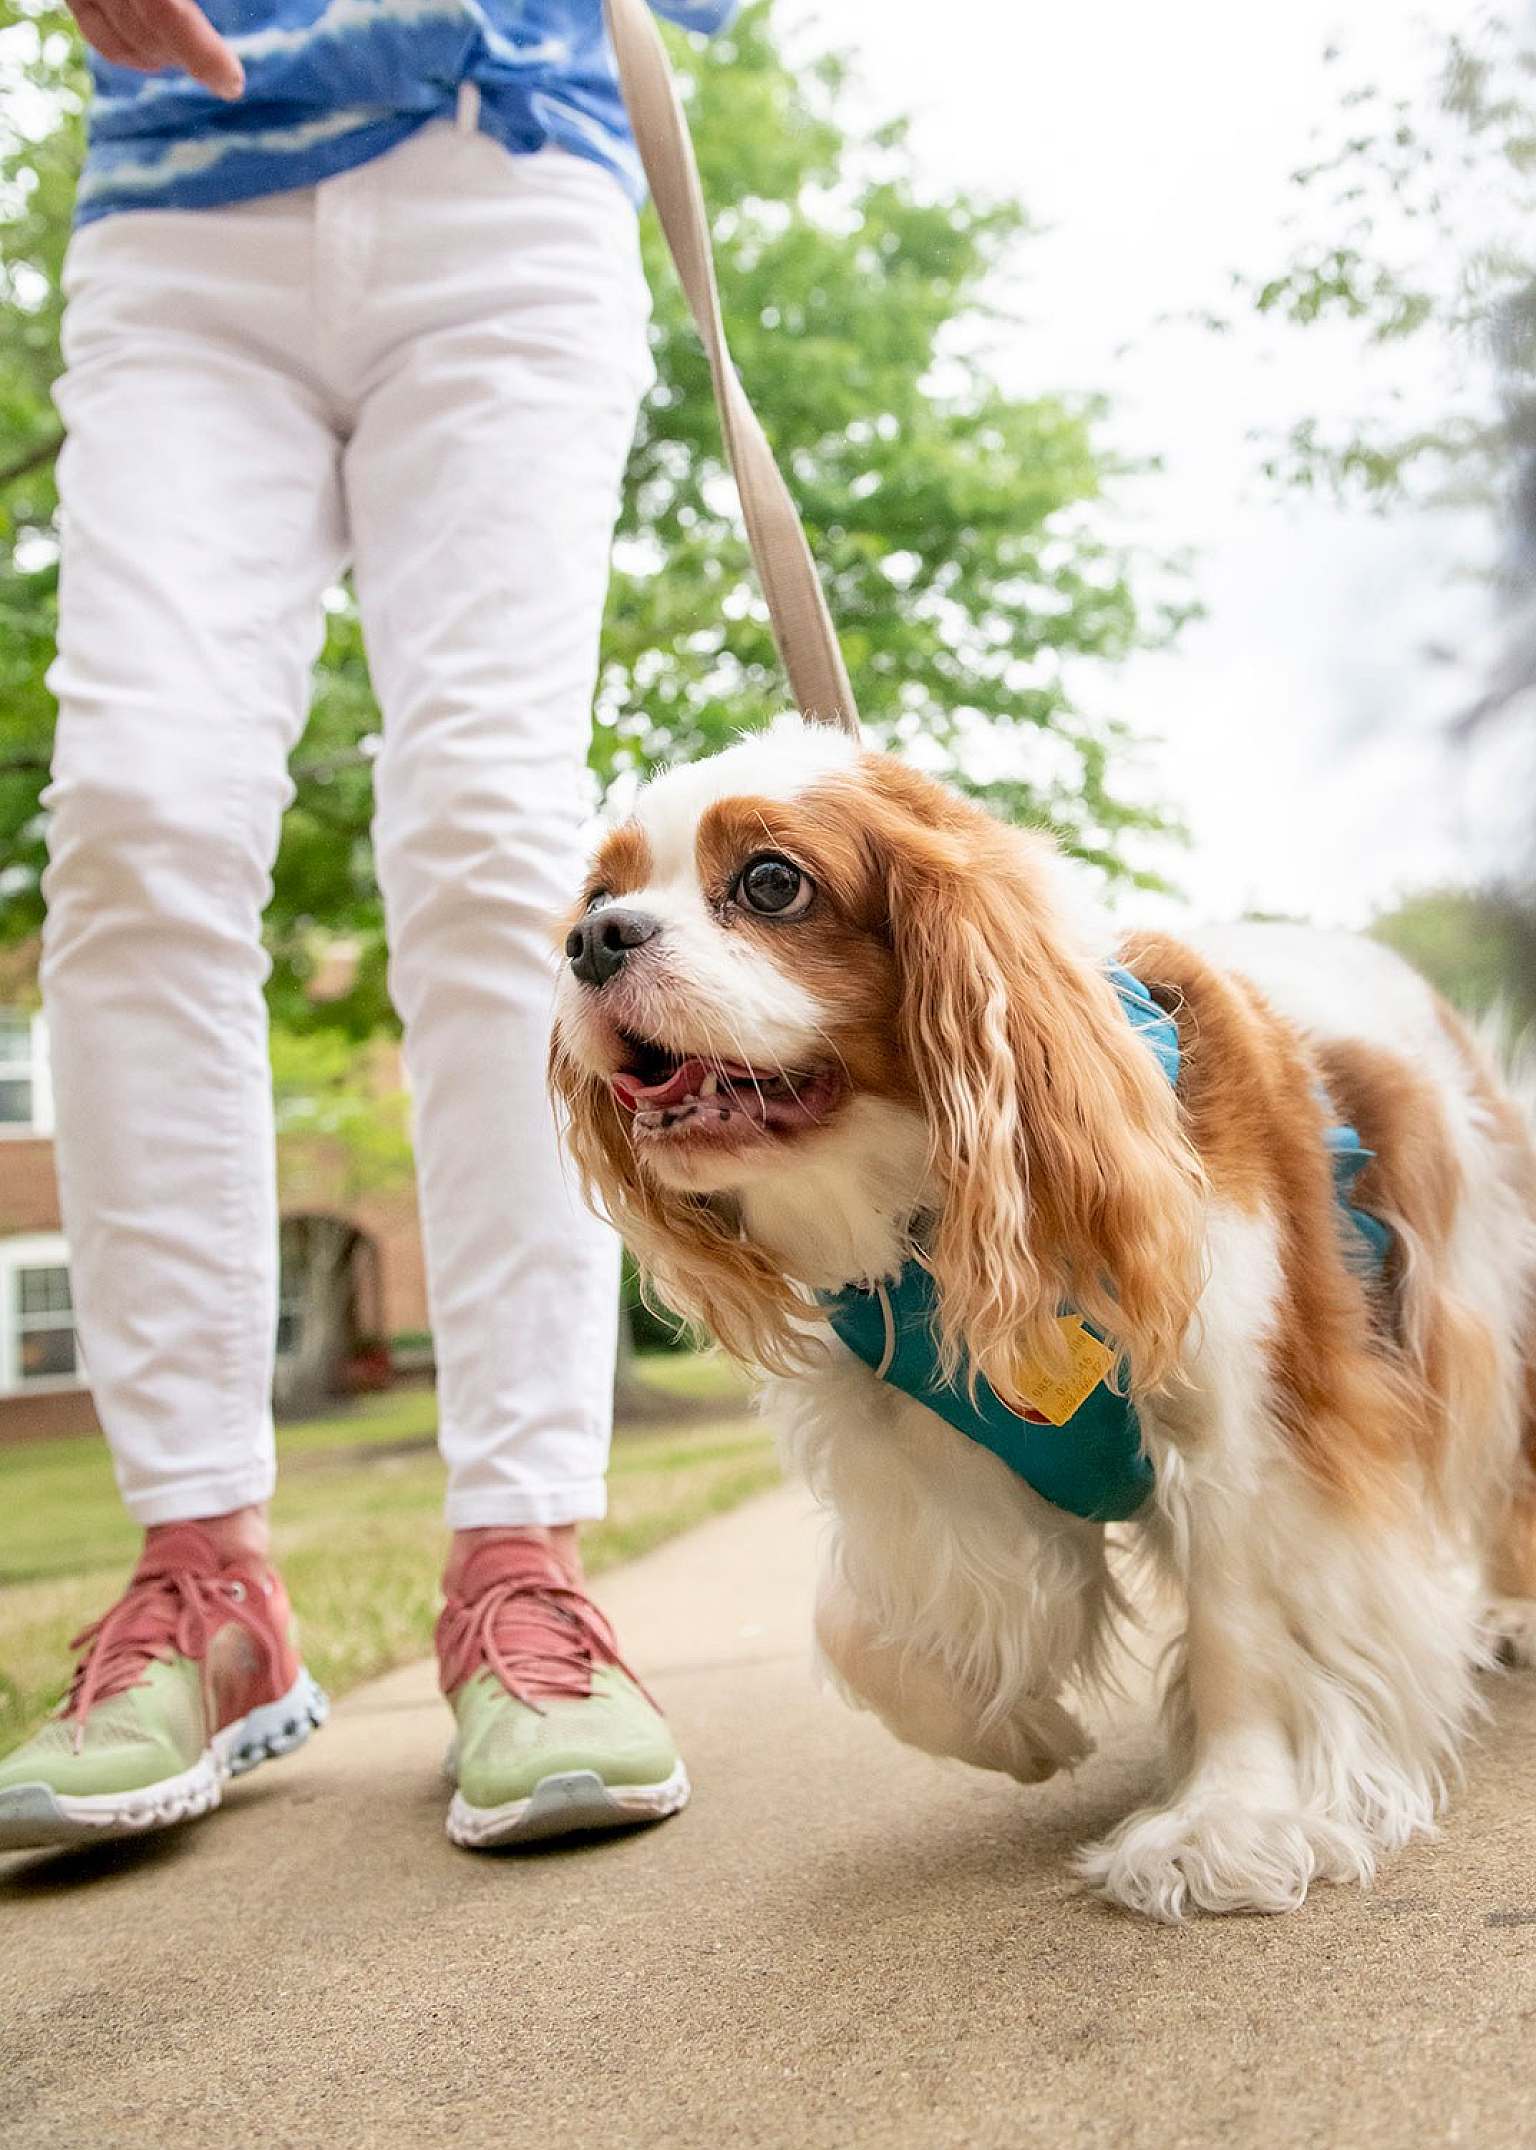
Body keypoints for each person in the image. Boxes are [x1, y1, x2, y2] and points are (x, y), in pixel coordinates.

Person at [0, 0, 736, 1855]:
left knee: (494, 834)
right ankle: (206, 1581)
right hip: (185, 184)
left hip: (512, 162)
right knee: (137, 813)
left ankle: (522, 1562)